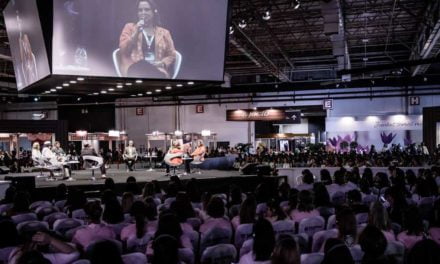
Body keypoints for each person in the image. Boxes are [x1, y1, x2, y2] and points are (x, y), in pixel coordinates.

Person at [119, 0, 176, 78]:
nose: (143, 12)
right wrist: (136, 32)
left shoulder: (164, 33)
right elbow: (123, 50)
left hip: (156, 70)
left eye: (147, 9)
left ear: (153, 12)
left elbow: (171, 55)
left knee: (155, 73)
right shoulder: (130, 28)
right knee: (142, 65)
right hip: (134, 69)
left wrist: (162, 63)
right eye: (140, 10)